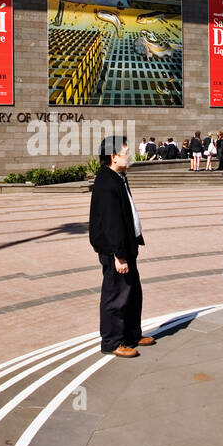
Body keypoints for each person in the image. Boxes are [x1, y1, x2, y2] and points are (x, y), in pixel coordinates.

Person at [89, 135, 155, 358]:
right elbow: (110, 222)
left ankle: (131, 334)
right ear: (114, 156)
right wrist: (119, 255)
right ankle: (112, 341)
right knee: (115, 296)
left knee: (132, 293)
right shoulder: (106, 182)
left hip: (127, 246)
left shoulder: (118, 177)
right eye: (127, 153)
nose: (130, 157)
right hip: (116, 250)